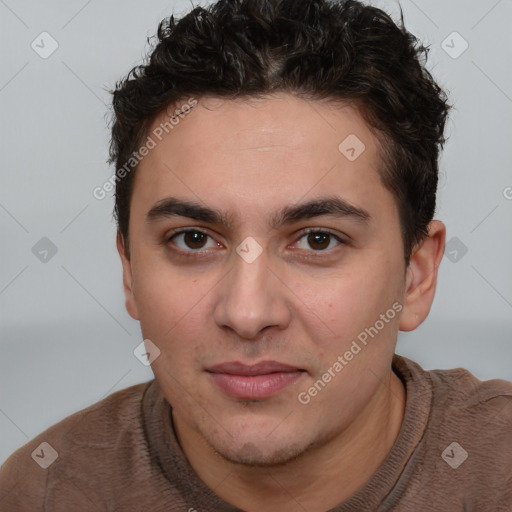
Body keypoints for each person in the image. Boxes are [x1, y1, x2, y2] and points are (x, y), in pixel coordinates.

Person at [1, 0, 511, 510]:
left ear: (416, 276)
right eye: (194, 240)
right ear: (130, 271)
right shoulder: (40, 493)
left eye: (317, 240)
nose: (247, 314)